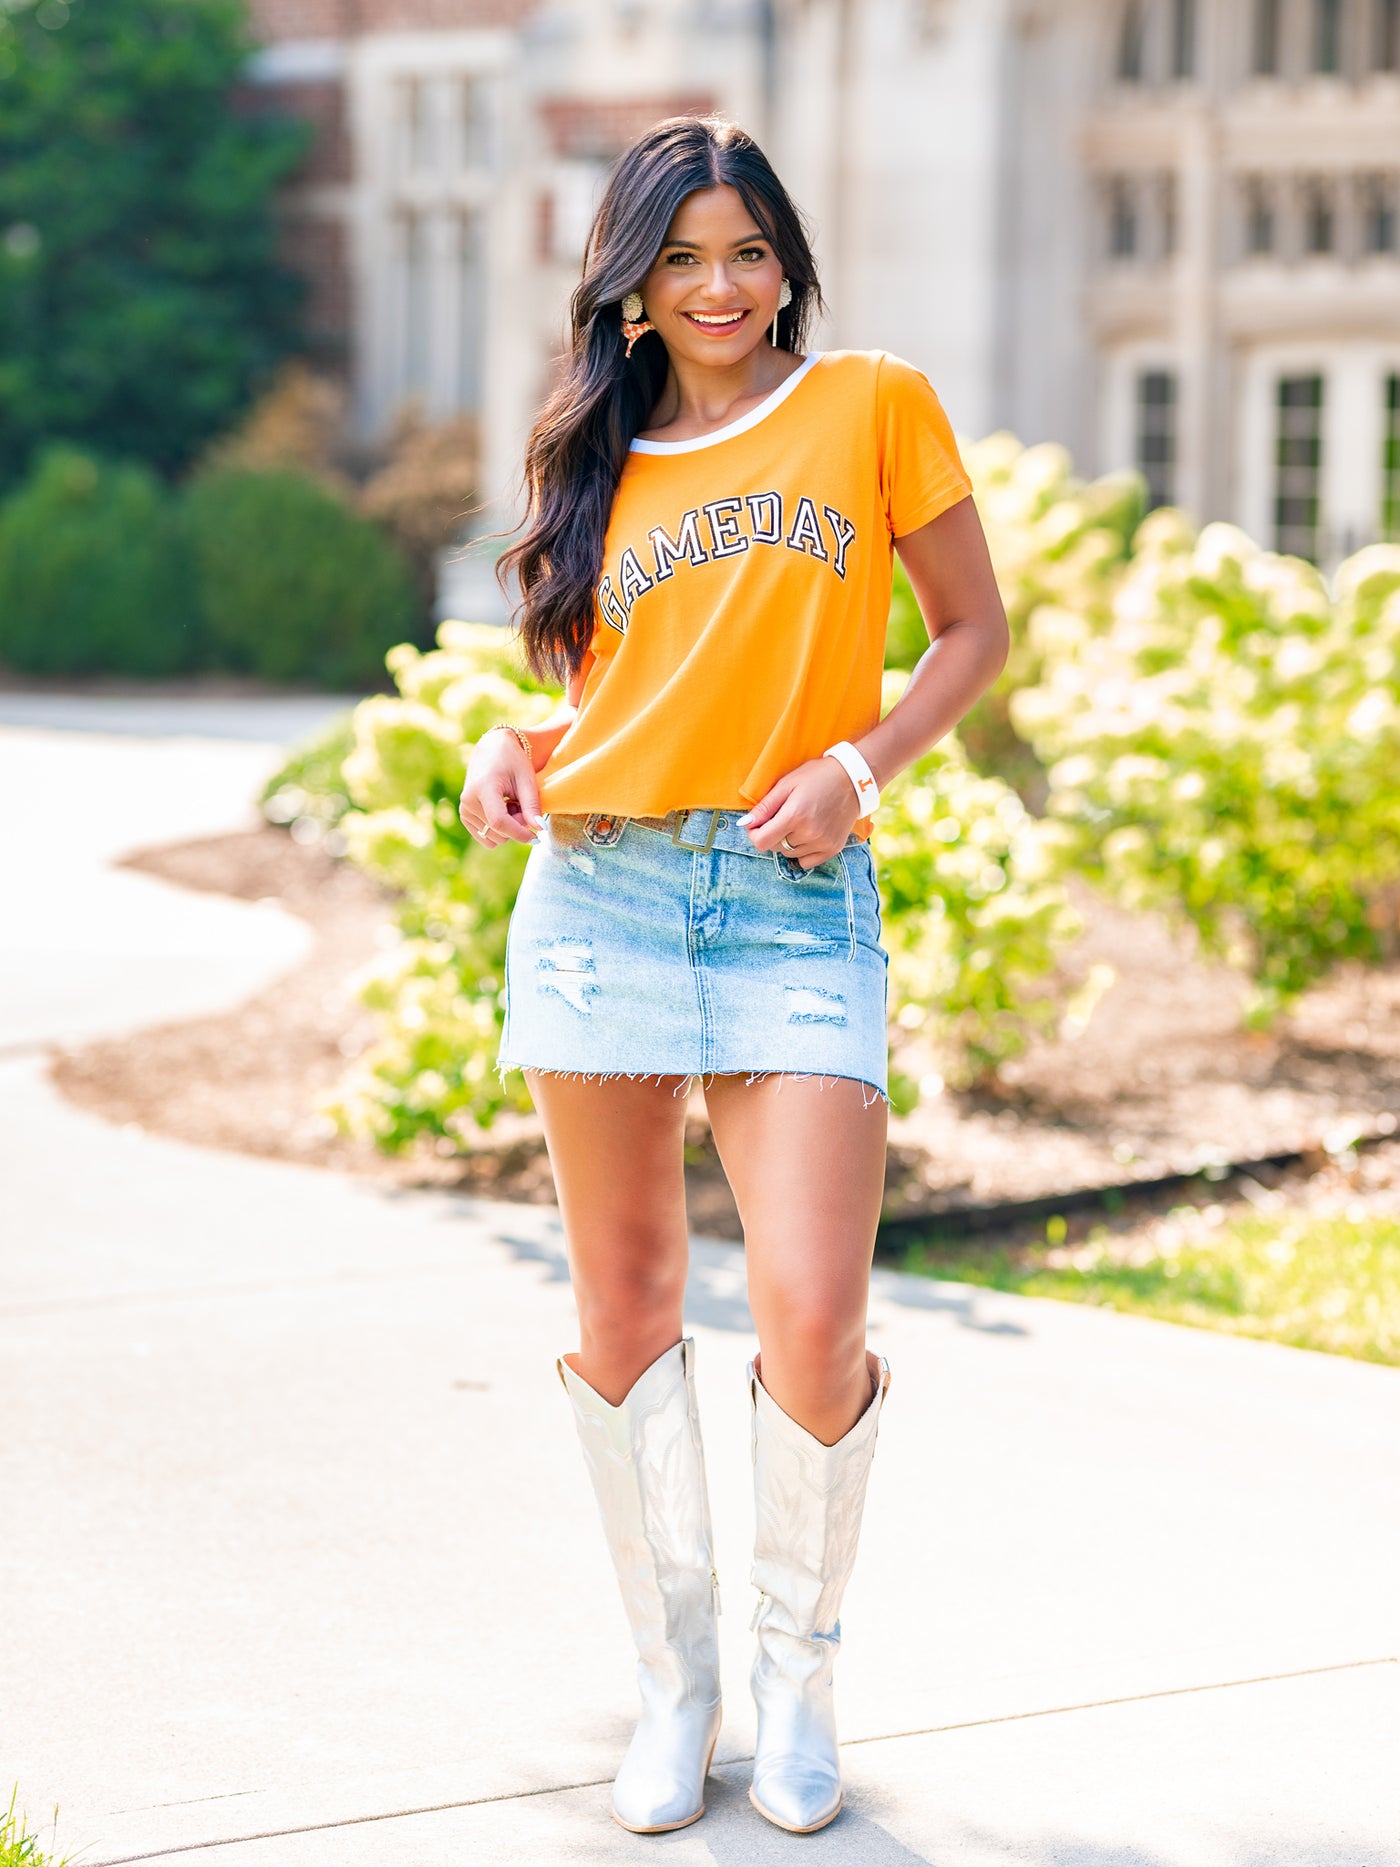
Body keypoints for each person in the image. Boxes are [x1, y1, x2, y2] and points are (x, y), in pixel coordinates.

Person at [457, 115, 1008, 1836]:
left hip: (794, 903)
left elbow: (975, 632)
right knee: (623, 1316)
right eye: (682, 257)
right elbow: (625, 697)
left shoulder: (874, 408)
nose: (721, 287)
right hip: (601, 895)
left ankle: (800, 1685)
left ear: (788, 262)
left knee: (815, 1318)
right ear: (633, 285)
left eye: (748, 251)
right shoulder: (601, 458)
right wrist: (513, 738)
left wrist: (864, 765)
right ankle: (674, 1684)